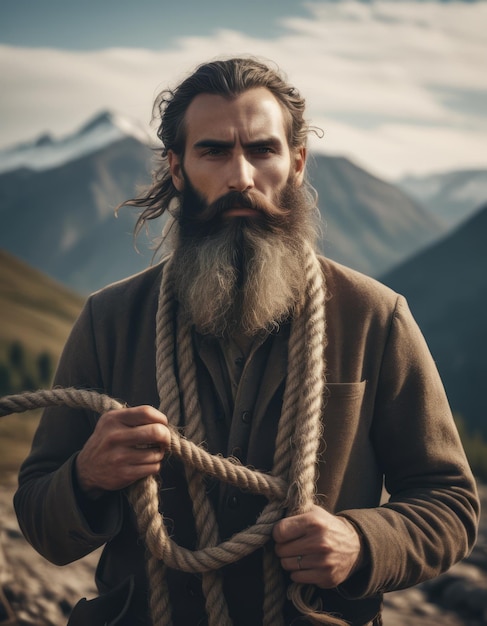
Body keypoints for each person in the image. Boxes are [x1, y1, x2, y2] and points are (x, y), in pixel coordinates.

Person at [13, 57, 479, 626]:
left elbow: (450, 503)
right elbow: (41, 523)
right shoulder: (109, 320)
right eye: (213, 151)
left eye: (262, 150)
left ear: (297, 163)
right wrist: (87, 475)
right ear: (178, 168)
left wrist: (362, 541)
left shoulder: (374, 318)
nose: (241, 176)